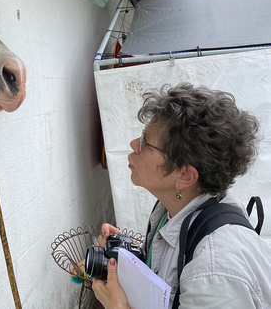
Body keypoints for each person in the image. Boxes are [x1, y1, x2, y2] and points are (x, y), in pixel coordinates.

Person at [92, 83, 271, 308]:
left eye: (146, 143)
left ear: (185, 176)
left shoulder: (212, 270)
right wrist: (133, 259)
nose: (133, 144)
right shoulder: (172, 213)